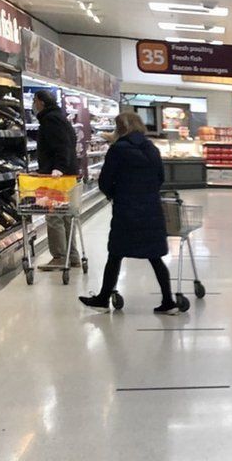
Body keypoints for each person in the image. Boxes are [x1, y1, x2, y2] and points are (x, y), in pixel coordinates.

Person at [79, 112, 179, 315]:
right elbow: (160, 177)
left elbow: (106, 181)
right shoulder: (152, 149)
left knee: (116, 253)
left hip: (126, 209)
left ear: (120, 128)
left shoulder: (117, 149)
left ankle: (103, 298)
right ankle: (168, 301)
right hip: (151, 208)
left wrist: (115, 194)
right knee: (155, 255)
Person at [32, 90, 80, 270]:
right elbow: (69, 142)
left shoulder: (50, 119)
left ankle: (60, 256)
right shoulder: (58, 117)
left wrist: (57, 169)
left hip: (57, 177)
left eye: (35, 101)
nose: (34, 105)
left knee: (54, 217)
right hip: (66, 175)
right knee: (67, 216)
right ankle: (72, 256)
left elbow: (62, 145)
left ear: (41, 102)